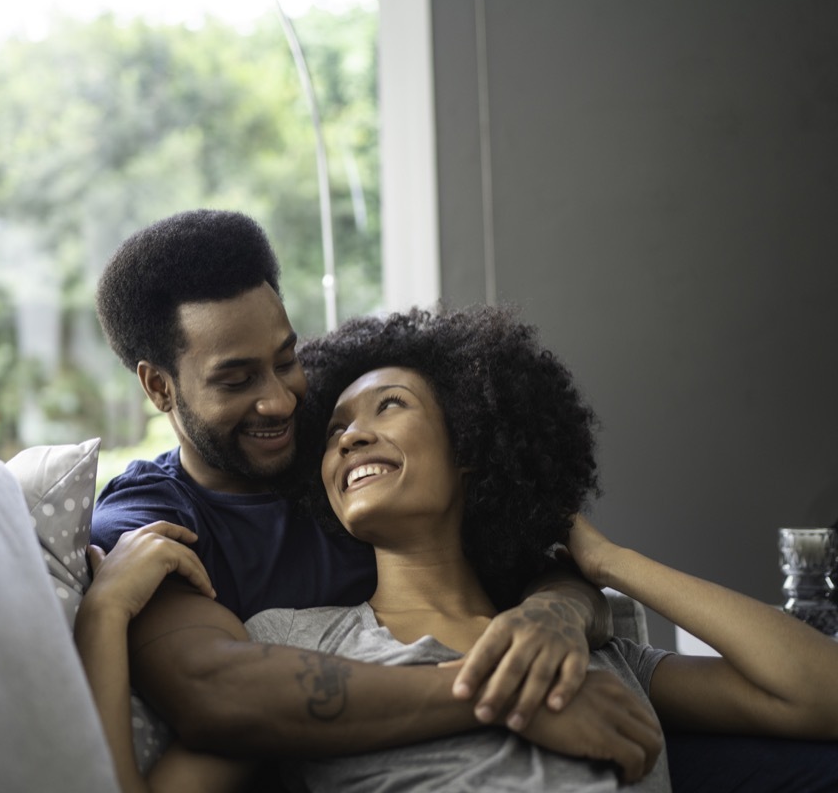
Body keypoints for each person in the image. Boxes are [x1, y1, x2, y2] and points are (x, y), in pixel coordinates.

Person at [80, 305, 838, 792]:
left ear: (473, 443)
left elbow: (819, 696)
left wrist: (606, 567)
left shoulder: (581, 648)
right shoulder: (291, 642)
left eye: (390, 406)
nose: (349, 434)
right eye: (337, 426)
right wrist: (103, 618)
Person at [88, 210, 656, 784]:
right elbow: (217, 692)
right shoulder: (149, 518)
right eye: (236, 381)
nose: (281, 402)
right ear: (160, 386)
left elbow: (533, 557)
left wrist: (556, 611)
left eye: (286, 360)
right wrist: (510, 698)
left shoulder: (343, 450)